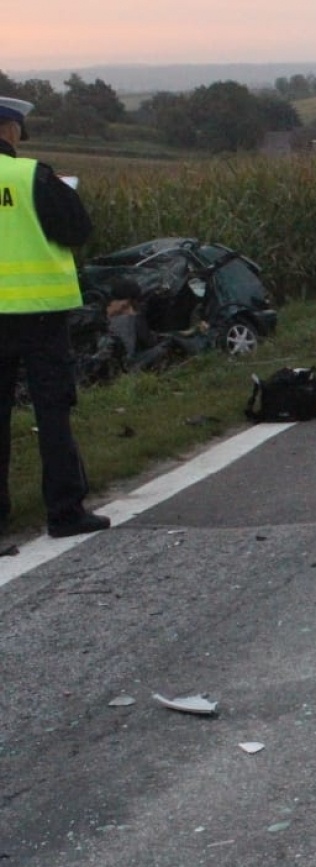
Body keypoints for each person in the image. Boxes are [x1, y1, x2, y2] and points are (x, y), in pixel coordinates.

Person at [0, 95, 109, 538]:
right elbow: (77, 230)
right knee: (52, 415)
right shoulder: (31, 176)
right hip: (39, 316)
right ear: (10, 131)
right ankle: (65, 512)